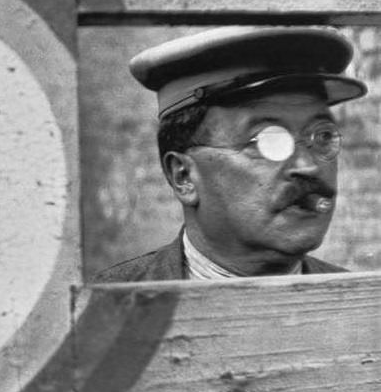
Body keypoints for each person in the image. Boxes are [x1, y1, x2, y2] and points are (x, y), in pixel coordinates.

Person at [94, 26, 368, 282]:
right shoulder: (105, 313)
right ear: (183, 176)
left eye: (323, 137)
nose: (308, 166)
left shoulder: (364, 311)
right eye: (267, 141)